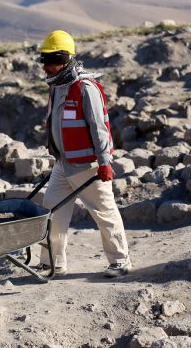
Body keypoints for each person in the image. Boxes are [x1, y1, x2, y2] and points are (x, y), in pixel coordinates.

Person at [35, 29, 131, 278]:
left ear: (65, 58)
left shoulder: (86, 87)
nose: (46, 67)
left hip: (88, 165)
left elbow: (99, 127)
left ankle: (120, 261)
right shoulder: (56, 86)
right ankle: (52, 264)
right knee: (51, 212)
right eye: (44, 60)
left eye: (51, 61)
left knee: (104, 212)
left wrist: (104, 162)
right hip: (63, 164)